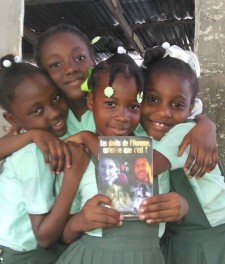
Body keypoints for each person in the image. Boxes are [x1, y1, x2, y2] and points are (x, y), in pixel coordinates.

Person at [47, 44, 186, 264]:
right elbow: (63, 235)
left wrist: (181, 206)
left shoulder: (156, 150)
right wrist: (81, 220)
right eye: (111, 104)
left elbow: (178, 205)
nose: (123, 116)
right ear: (91, 101)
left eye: (133, 106)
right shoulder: (77, 154)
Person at [0, 23, 218, 177]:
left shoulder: (116, 108)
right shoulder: (49, 119)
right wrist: (33, 135)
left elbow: (161, 116)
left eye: (80, 58)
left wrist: (205, 124)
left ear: (94, 61)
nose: (71, 69)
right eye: (55, 65)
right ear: (43, 74)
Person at [138, 44, 225, 264]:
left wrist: (88, 142)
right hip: (181, 237)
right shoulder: (146, 131)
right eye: (152, 99)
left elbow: (145, 169)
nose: (162, 112)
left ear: (190, 108)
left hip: (211, 235)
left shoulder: (184, 132)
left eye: (176, 105)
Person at [0, 55, 90, 264]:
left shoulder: (48, 140)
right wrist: (74, 176)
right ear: (12, 119)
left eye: (56, 98)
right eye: (36, 111)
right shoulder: (34, 155)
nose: (54, 113)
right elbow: (44, 236)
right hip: (23, 257)